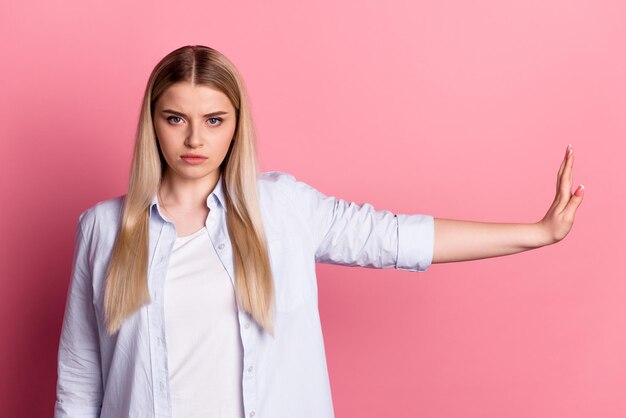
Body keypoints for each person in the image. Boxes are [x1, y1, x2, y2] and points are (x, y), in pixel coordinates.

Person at [54, 45, 584, 418]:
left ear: (237, 124)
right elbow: (80, 381)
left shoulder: (284, 209)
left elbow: (397, 239)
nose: (195, 137)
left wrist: (537, 233)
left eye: (214, 119)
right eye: (175, 118)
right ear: (152, 122)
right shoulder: (103, 228)